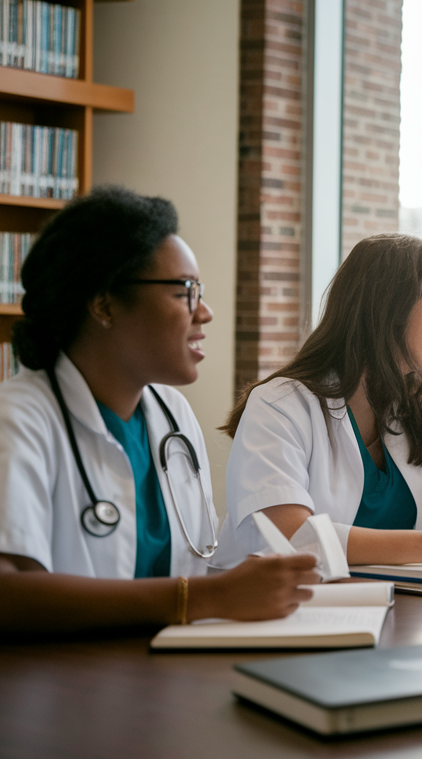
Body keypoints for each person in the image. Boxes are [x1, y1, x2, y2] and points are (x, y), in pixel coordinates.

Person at [0, 186, 319, 634]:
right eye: (185, 291)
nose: (204, 312)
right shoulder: (18, 419)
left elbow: (201, 566)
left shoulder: (173, 415)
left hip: (161, 674)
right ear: (104, 303)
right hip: (61, 687)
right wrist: (207, 598)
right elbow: (7, 594)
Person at [219, 233, 422, 568]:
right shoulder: (280, 405)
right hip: (293, 614)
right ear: (388, 314)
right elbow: (290, 537)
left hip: (403, 612)